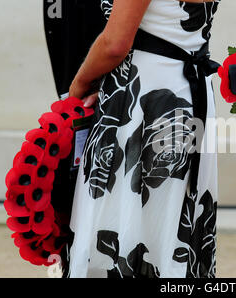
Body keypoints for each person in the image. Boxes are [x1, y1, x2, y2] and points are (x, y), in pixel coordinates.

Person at [65, 0, 220, 278]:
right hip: (190, 96)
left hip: (141, 98)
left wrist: (78, 85)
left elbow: (115, 43)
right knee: (170, 220)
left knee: (121, 219)